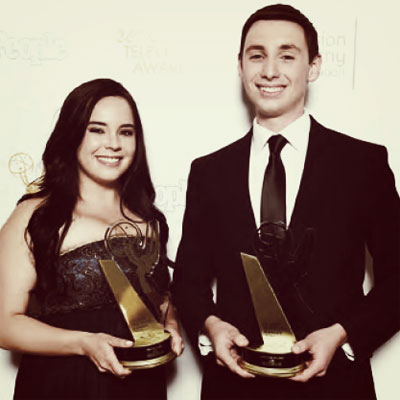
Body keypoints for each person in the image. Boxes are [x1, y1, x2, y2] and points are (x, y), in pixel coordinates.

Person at [172, 4, 399, 399]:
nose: (270, 70)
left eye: (287, 55)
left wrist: (343, 336)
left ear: (313, 66)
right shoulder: (209, 171)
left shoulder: (364, 163)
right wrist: (211, 325)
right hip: (233, 388)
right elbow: (188, 281)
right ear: (240, 65)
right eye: (256, 55)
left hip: (337, 389)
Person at [0, 78, 183, 399]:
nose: (113, 143)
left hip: (141, 385)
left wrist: (171, 325)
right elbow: (4, 324)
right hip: (62, 383)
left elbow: (160, 298)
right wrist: (84, 343)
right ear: (72, 136)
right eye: (96, 129)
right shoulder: (36, 216)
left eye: (125, 132)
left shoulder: (151, 220)